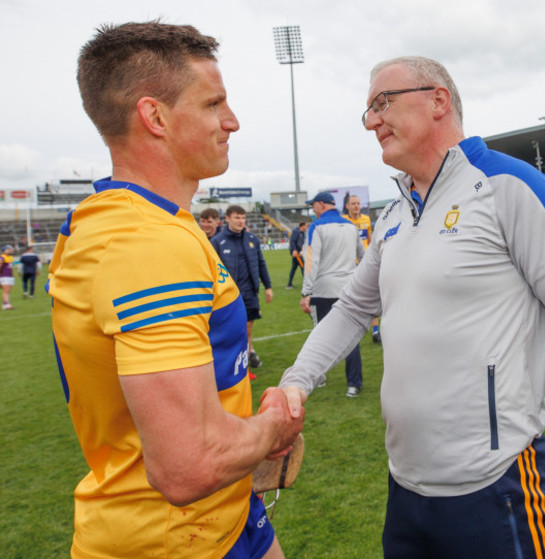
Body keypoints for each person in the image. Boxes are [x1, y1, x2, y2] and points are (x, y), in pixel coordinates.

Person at [281, 56, 545, 558]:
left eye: (382, 102)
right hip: (404, 487)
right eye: (368, 110)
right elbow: (351, 309)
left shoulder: (511, 186)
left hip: (497, 484)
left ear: (438, 100)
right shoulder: (396, 213)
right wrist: (294, 384)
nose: (372, 120)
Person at [47, 21, 303, 559]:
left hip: (223, 518)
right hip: (174, 538)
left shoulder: (122, 218)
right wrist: (272, 427)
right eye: (213, 104)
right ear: (155, 116)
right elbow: (189, 466)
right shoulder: (149, 243)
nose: (231, 121)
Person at [300, 191, 365, 398]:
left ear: (321, 204)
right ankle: (354, 384)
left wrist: (305, 291)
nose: (313, 209)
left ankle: (318, 376)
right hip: (348, 288)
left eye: (314, 206)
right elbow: (363, 257)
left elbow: (312, 261)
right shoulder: (350, 226)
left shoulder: (317, 226)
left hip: (324, 290)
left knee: (320, 336)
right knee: (350, 338)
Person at [213, 205, 273, 370]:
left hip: (249, 291)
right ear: (227, 219)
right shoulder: (217, 241)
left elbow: (260, 263)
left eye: (243, 218)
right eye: (237, 218)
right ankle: (238, 356)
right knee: (232, 327)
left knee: (247, 325)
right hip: (229, 295)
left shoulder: (251, 239)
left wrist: (268, 286)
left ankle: (248, 351)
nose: (241, 221)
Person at [343, 194, 381, 343]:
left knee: (373, 293)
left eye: (358, 203)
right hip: (350, 264)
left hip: (365, 262)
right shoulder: (344, 221)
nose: (356, 206)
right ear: (347, 206)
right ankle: (350, 328)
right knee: (351, 296)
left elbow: (370, 240)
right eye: (353, 203)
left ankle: (375, 330)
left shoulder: (366, 220)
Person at [286, 221, 307, 289]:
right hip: (296, 253)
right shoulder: (296, 231)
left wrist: (302, 251)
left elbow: (303, 243)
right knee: (302, 266)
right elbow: (292, 241)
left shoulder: (303, 233)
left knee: (294, 268)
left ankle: (289, 284)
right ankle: (307, 284)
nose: (306, 227)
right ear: (302, 226)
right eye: (306, 225)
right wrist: (294, 250)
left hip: (299, 252)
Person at [1, 244, 15, 310]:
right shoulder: (2, 257)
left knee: (8, 290)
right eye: (9, 249)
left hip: (10, 276)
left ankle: (5, 304)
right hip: (4, 276)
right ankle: (7, 304)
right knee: (6, 290)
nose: (10, 250)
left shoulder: (11, 257)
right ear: (5, 250)